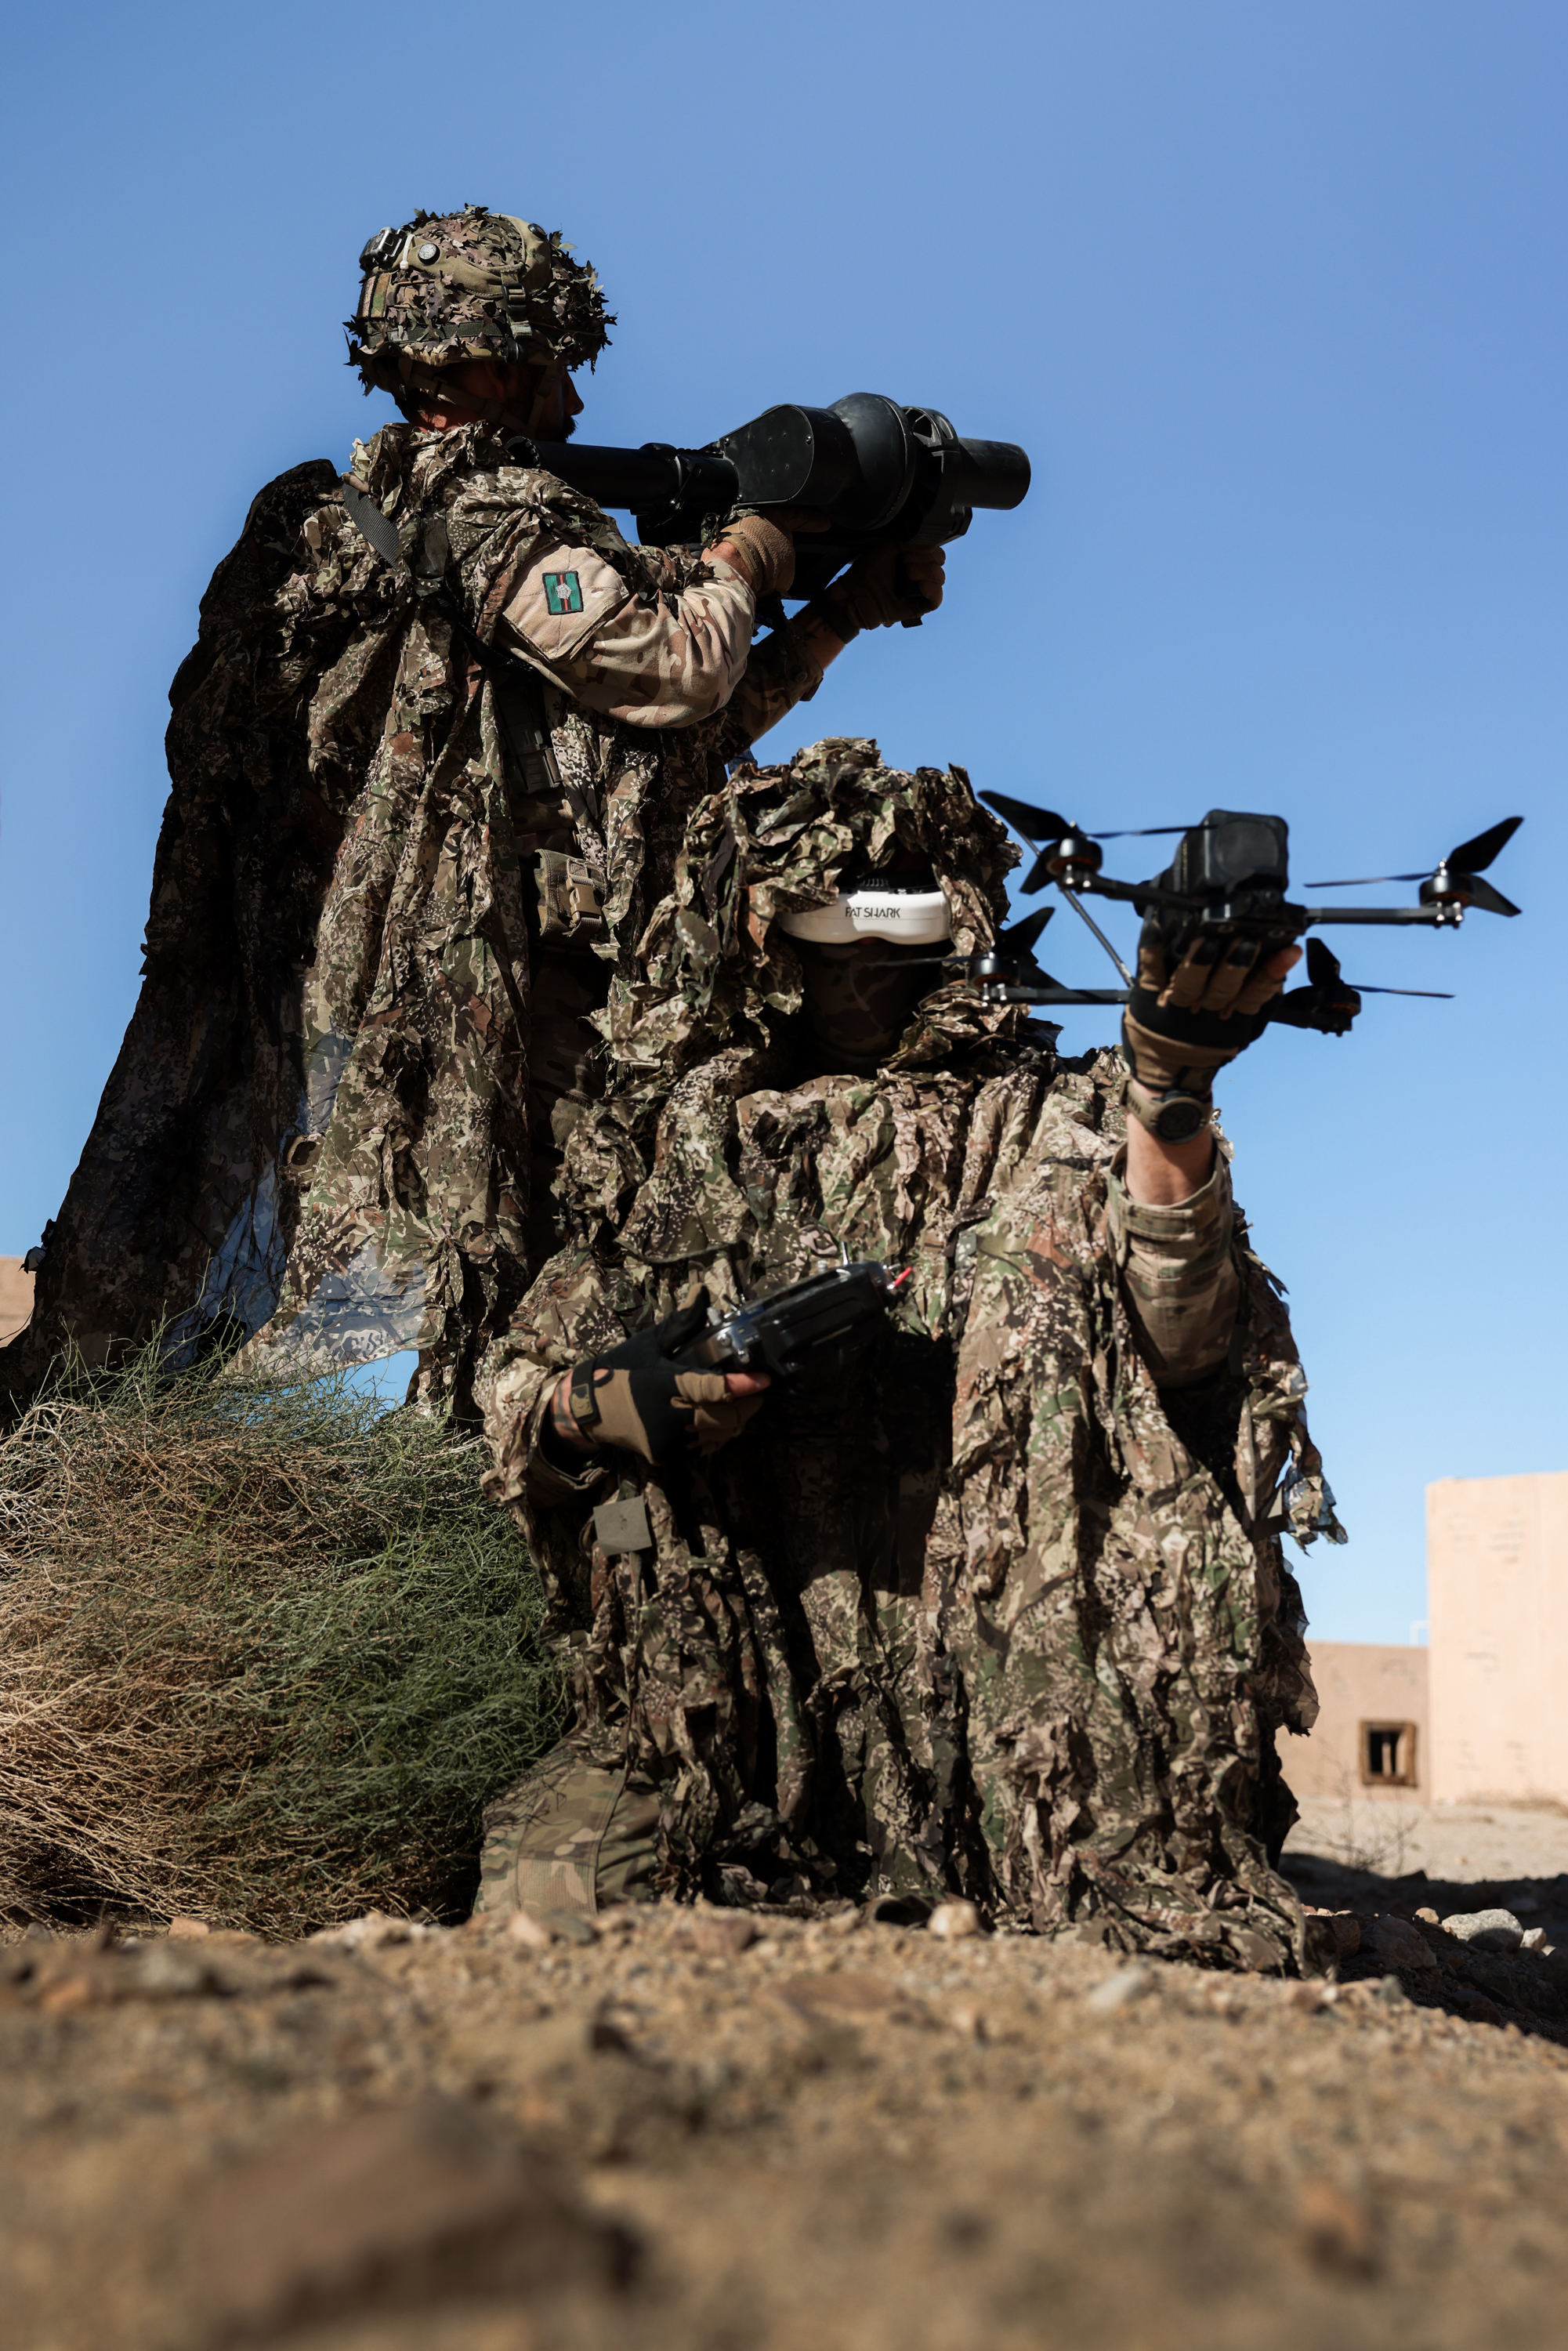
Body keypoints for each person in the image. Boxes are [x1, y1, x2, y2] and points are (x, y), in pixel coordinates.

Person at [9, 208, 942, 1412]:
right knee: (461, 1275)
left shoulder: (366, 529)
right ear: (489, 362)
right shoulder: (476, 510)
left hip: (373, 965)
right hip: (453, 983)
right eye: (554, 368)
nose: (571, 404)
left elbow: (654, 752)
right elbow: (666, 673)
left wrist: (836, 619)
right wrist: (749, 554)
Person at [474, 738, 1342, 1969]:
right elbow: (518, 1387)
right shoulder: (672, 1150)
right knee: (551, 1918)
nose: (868, 981)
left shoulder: (1053, 1121)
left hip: (1017, 1729)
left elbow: (1188, 1353)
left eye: (903, 946)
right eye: (835, 947)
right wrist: (601, 1405)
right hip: (738, 1711)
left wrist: (1167, 1100)